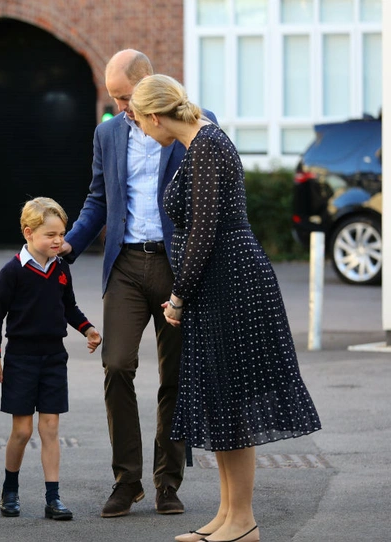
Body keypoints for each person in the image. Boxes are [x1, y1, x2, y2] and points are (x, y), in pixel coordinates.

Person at [129, 74, 322, 542]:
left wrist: (177, 298)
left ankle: (243, 521)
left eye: (137, 120)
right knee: (222, 403)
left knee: (233, 400)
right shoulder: (200, 143)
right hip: (219, 283)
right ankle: (227, 514)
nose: (139, 130)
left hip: (232, 282)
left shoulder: (209, 144)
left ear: (155, 115)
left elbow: (203, 231)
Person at [61, 49, 216, 518]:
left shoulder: (196, 124)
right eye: (113, 98)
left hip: (176, 267)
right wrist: (68, 244)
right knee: (117, 365)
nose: (121, 106)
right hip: (125, 265)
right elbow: (97, 198)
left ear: (150, 82)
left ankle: (168, 482)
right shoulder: (107, 132)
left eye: (126, 96)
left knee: (176, 377)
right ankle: (127, 482)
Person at [0, 197, 102, 521]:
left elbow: (69, 306)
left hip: (54, 358)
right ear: (29, 233)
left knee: (50, 427)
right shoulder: (12, 271)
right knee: (22, 431)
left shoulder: (61, 268)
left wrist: (87, 328)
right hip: (20, 358)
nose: (59, 241)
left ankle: (53, 497)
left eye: (61, 234)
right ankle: (10, 490)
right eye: (51, 235)